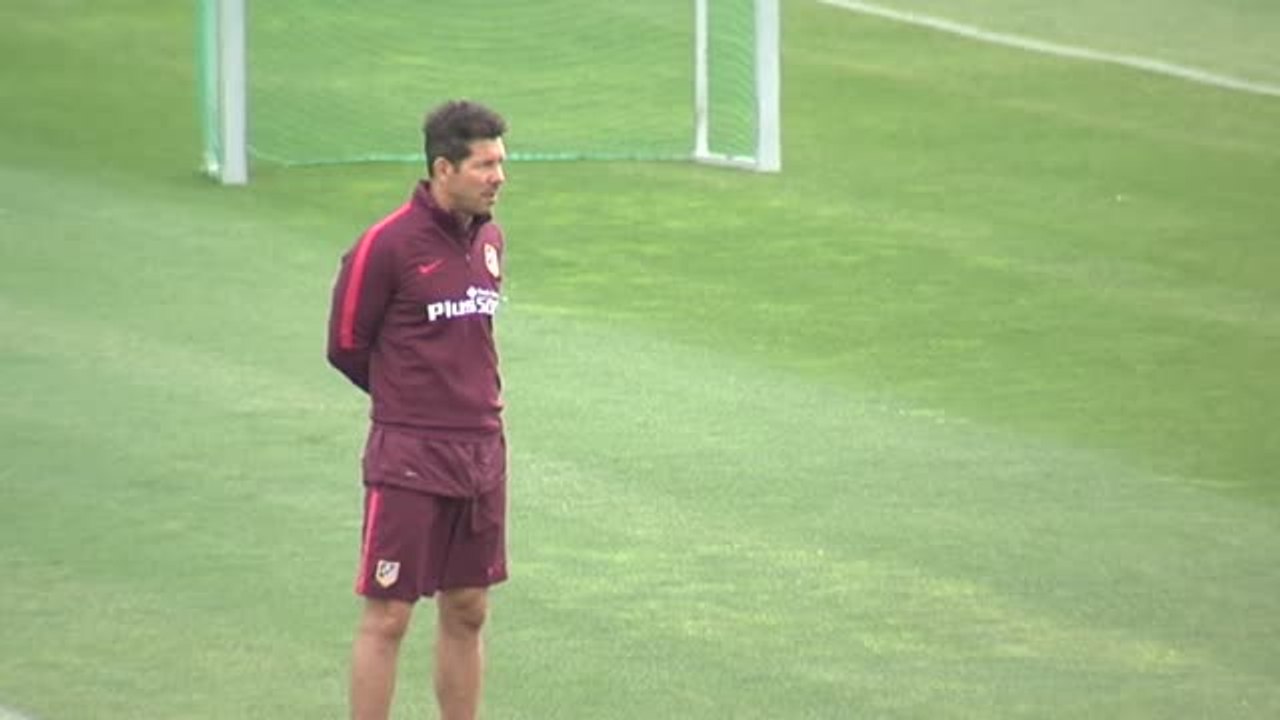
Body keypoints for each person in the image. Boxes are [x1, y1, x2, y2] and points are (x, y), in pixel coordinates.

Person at [327, 99, 510, 720]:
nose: (498, 178)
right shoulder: (387, 245)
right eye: (485, 165)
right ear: (443, 168)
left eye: (500, 163)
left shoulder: (489, 240)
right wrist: (409, 404)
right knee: (390, 614)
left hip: (482, 452)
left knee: (469, 608)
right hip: (409, 455)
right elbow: (346, 345)